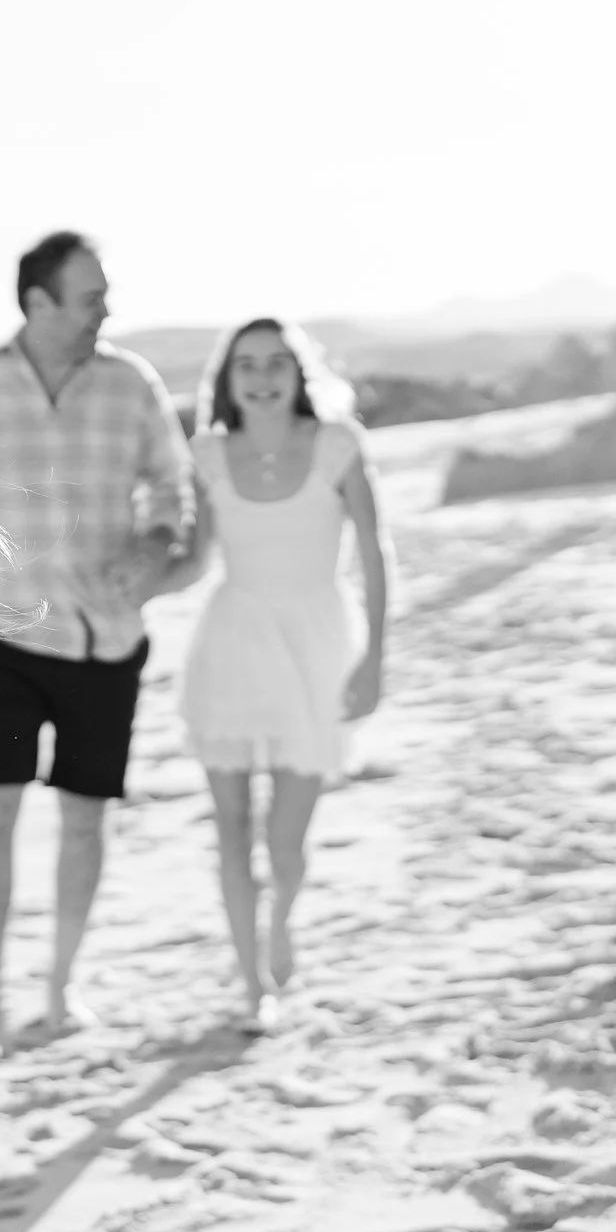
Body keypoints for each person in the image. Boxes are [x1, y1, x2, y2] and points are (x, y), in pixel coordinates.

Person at [0, 230, 201, 1060]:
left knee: (84, 821)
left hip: (105, 640)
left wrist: (153, 547)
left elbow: (171, 484)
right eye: (90, 297)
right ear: (37, 302)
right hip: (0, 638)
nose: (105, 311)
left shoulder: (130, 383)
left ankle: (61, 990)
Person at [179, 318, 389, 1031]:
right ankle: (252, 985)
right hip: (232, 644)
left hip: (318, 646)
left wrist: (377, 656)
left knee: (286, 841)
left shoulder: (338, 444)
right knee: (233, 829)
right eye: (246, 366)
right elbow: (195, 556)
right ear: (228, 380)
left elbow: (374, 546)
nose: (262, 377)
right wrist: (131, 581)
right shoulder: (207, 453)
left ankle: (282, 924)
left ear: (300, 372)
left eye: (276, 363)